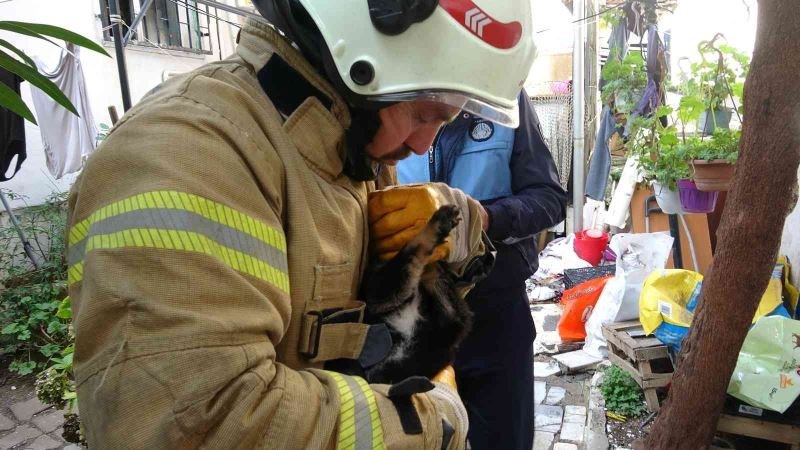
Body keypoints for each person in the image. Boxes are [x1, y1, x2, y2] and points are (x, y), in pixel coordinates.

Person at [65, 0, 538, 448]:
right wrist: (434, 417)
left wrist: (457, 220)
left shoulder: (345, 148)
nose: (422, 145)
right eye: (423, 113)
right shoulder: (185, 153)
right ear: (355, 43)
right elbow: (204, 425)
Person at [396, 91, 568, 450]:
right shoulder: (387, 91)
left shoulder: (505, 99)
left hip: (496, 316)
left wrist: (486, 219)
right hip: (411, 323)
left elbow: (549, 199)